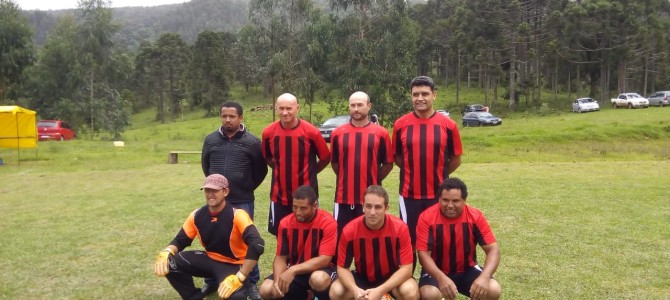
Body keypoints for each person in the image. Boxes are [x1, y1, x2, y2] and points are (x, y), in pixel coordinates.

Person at [153, 174, 265, 300]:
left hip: (234, 265)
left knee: (236, 297)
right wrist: (167, 251)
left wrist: (240, 276)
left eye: (215, 190)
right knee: (169, 262)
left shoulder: (238, 215)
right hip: (210, 259)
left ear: (225, 192)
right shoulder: (197, 215)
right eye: (207, 190)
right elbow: (180, 240)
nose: (210, 194)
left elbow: (257, 244)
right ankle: (194, 297)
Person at [201, 101, 268, 299]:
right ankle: (211, 281)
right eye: (224, 116)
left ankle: (251, 282)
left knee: (248, 242)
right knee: (212, 237)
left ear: (241, 118)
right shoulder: (210, 140)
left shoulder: (253, 142)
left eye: (232, 116)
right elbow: (206, 166)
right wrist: (217, 190)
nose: (228, 120)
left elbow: (261, 171)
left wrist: (245, 185)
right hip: (216, 201)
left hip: (243, 199)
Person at [392, 75, 463, 245]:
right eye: (415, 94)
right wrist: (413, 169)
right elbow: (396, 156)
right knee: (409, 241)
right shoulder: (400, 124)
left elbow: (456, 158)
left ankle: (430, 272)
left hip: (438, 194)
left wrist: (439, 171)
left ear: (434, 95)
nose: (420, 98)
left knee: (436, 239)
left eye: (424, 94)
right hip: (409, 195)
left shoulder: (448, 125)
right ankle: (409, 272)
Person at [416, 178, 501, 300]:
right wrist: (440, 277)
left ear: (464, 200)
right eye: (445, 200)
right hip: (436, 272)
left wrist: (484, 276)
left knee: (493, 289)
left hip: (467, 270)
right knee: (430, 294)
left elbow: (493, 249)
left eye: (455, 201)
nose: (450, 205)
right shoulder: (426, 217)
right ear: (439, 199)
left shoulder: (475, 216)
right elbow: (423, 255)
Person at [329, 185, 419, 300]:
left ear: (387, 208)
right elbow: (342, 267)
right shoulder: (349, 230)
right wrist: (355, 290)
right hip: (362, 278)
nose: (372, 212)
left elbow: (407, 269)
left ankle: (384, 295)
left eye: (378, 207)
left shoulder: (400, 228)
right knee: (336, 291)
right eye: (368, 206)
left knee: (410, 291)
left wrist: (380, 291)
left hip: (391, 278)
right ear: (363, 207)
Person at [261, 93, 331, 236]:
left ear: (297, 108)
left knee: (309, 234)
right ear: (276, 108)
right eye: (281, 108)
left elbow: (325, 157)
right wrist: (279, 170)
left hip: (307, 196)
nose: (285, 112)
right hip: (279, 196)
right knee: (281, 234)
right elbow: (267, 157)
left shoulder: (311, 132)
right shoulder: (268, 132)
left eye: (289, 108)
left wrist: (311, 172)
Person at [259, 185, 338, 300]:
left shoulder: (327, 223)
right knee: (266, 289)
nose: (298, 212)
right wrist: (277, 282)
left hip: (322, 270)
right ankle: (307, 295)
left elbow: (325, 259)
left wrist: (293, 270)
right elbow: (281, 257)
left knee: (318, 280)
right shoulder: (285, 223)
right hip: (296, 271)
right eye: (295, 207)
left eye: (303, 208)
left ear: (314, 206)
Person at [330, 91, 393, 232]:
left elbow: (388, 163)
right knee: (341, 240)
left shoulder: (381, 133)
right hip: (343, 198)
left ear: (369, 106)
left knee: (369, 239)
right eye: (353, 105)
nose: (356, 108)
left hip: (371, 200)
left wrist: (374, 178)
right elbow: (334, 163)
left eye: (360, 105)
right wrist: (346, 177)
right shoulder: (338, 133)